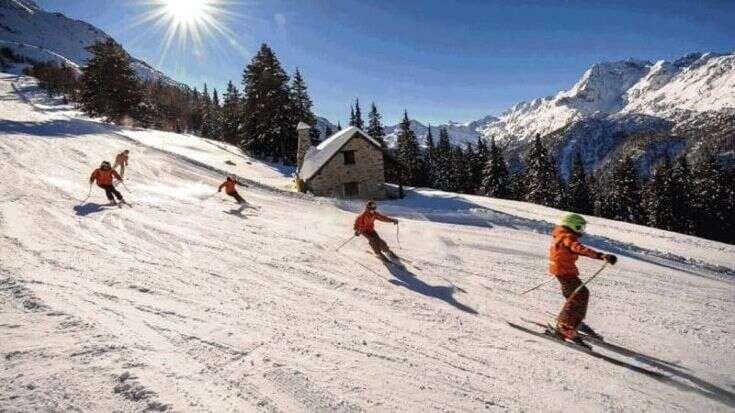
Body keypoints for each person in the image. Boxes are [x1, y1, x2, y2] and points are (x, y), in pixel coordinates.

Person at [548, 213, 617, 343]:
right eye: (580, 227)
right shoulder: (567, 237)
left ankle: (572, 322)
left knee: (577, 295)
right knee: (578, 296)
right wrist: (601, 255)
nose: (581, 231)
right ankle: (565, 326)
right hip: (565, 272)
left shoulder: (560, 235)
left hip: (562, 271)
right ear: (572, 225)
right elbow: (578, 248)